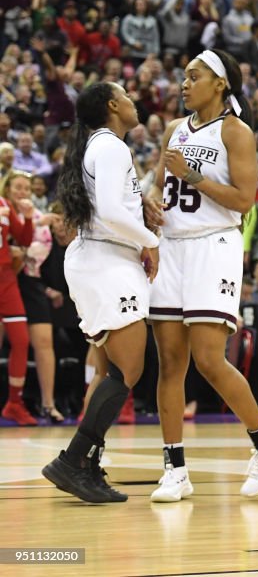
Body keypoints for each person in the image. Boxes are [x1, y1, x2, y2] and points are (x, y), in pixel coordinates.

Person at [147, 49, 258, 503]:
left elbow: (244, 199)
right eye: (184, 77)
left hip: (214, 244)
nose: (184, 84)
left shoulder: (236, 131)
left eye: (194, 77)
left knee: (209, 359)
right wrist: (151, 198)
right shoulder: (174, 130)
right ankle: (175, 469)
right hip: (171, 246)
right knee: (170, 362)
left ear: (221, 83)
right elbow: (158, 182)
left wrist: (192, 177)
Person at [41, 82, 160, 502]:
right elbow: (109, 211)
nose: (133, 100)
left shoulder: (99, 146)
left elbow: (112, 207)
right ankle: (73, 461)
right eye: (127, 95)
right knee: (128, 370)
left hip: (101, 260)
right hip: (106, 261)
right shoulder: (110, 146)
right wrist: (150, 240)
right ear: (113, 106)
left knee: (114, 370)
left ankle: (87, 464)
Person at [3, 170, 63, 423]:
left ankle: (36, 403)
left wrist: (31, 221)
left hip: (22, 282)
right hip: (10, 276)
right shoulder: (6, 208)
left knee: (32, 341)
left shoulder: (26, 214)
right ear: (6, 188)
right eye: (17, 187)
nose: (22, 192)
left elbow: (32, 243)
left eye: (26, 188)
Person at [0, 172, 37, 426]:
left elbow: (23, 239)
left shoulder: (3, 204)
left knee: (22, 340)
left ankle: (14, 403)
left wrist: (28, 217)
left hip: (6, 278)